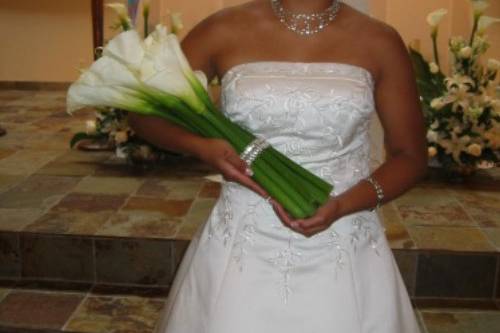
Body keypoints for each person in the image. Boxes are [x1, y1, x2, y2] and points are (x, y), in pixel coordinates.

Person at [129, 1, 427, 332]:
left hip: (345, 237)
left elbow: (410, 156)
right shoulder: (221, 28)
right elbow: (143, 114)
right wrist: (202, 147)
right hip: (243, 241)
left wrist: (344, 204)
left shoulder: (379, 40)